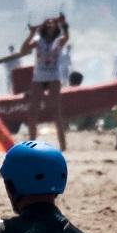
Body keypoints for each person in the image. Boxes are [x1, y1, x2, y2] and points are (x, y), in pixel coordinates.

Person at [23, 15, 72, 149]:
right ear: (44, 27)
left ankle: (63, 146)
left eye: (52, 23)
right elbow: (23, 50)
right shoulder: (38, 40)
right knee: (33, 112)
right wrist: (32, 34)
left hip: (53, 77)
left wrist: (63, 24)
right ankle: (31, 144)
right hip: (38, 77)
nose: (50, 25)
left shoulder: (59, 41)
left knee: (55, 111)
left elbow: (67, 36)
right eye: (48, 23)